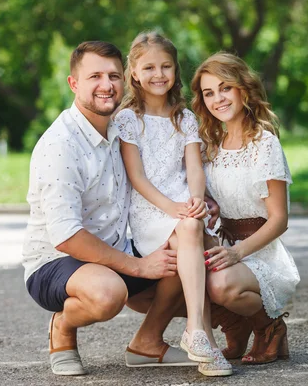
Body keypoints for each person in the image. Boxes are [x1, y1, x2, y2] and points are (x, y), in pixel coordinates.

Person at [22, 41, 198, 376]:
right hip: (56, 262)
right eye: (95, 77)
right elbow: (66, 236)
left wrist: (202, 203)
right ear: (74, 84)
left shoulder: (123, 127)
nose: (107, 85)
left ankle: (147, 342)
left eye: (114, 75)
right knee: (107, 294)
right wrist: (138, 267)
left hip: (113, 252)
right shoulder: (61, 145)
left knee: (182, 248)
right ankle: (62, 328)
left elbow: (166, 172)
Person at [113, 32, 232, 377]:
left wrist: (195, 199)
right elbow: (137, 177)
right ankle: (202, 333)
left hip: (183, 204)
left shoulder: (185, 118)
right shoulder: (127, 119)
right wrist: (173, 208)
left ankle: (200, 336)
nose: (158, 74)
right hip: (150, 210)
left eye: (166, 66)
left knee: (192, 227)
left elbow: (194, 167)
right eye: (149, 67)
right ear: (133, 72)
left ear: (175, 69)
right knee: (192, 229)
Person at [190, 52, 301, 364]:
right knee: (185, 278)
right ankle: (234, 329)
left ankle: (271, 328)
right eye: (208, 93)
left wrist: (238, 253)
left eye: (225, 88)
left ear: (243, 89)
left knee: (221, 285)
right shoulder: (209, 145)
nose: (218, 99)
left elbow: (279, 219)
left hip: (262, 253)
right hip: (225, 244)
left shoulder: (264, 144)